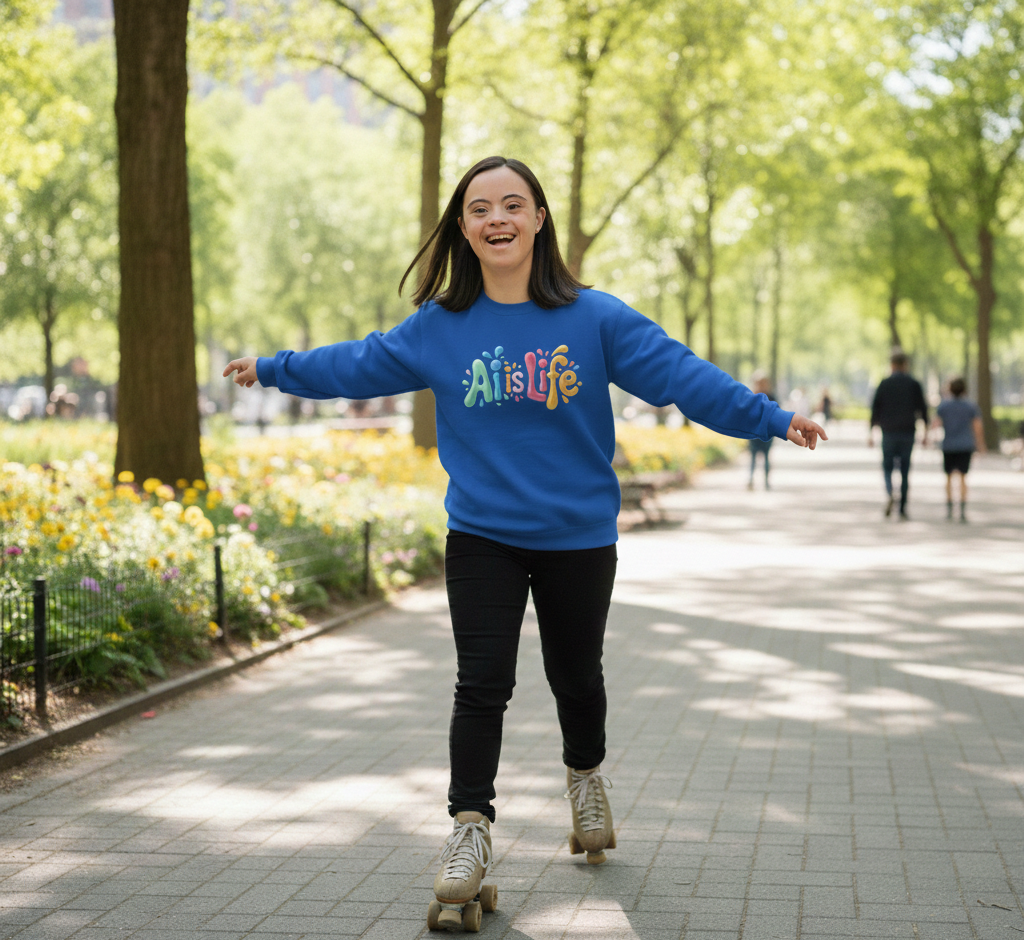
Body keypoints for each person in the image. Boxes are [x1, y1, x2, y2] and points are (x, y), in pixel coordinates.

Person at [224, 156, 826, 928]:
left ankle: (585, 777)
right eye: (480, 208)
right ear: (464, 228)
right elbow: (358, 362)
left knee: (576, 675)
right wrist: (273, 368)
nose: (497, 218)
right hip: (482, 535)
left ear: (540, 218)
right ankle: (468, 831)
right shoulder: (440, 328)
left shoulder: (595, 318)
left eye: (513, 204)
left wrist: (772, 418)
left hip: (577, 535)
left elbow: (683, 377)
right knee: (482, 682)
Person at [869, 351, 928, 520]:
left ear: (892, 365)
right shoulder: (914, 384)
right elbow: (922, 409)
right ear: (905, 365)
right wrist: (926, 432)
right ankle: (902, 508)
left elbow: (875, 408)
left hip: (888, 432)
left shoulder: (884, 383)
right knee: (905, 470)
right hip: (908, 432)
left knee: (887, 467)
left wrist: (871, 432)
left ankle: (889, 492)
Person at [933, 377, 986, 522]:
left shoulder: (944, 406)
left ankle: (949, 508)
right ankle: (962, 510)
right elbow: (977, 426)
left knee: (949, 477)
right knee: (963, 477)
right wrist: (980, 444)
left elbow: (935, 423)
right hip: (965, 445)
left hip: (948, 445)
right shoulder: (970, 406)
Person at [748, 373, 776, 490]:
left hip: (767, 433)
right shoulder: (751, 396)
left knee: (766, 458)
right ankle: (751, 480)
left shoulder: (771, 397)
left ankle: (766, 481)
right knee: (753, 458)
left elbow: (775, 413)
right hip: (753, 433)